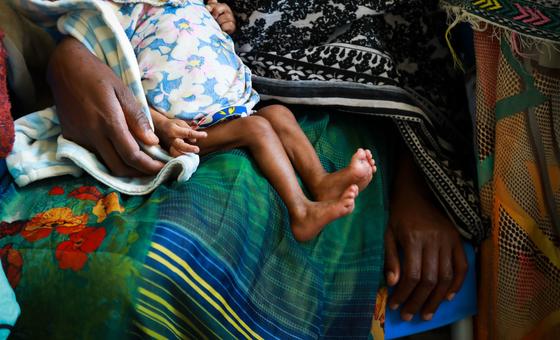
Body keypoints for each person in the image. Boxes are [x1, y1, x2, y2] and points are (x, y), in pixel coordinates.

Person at [46, 0, 467, 322]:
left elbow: (423, 36)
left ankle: (318, 188)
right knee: (125, 272)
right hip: (188, 121)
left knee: (151, 270)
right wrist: (68, 61)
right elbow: (96, 48)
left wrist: (418, 182)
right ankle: (303, 207)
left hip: (340, 113)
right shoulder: (111, 17)